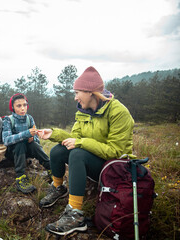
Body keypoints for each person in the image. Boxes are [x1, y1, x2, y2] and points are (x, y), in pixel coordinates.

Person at [38, 66, 135, 236]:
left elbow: (115, 151)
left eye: (77, 92)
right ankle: (58, 188)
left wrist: (81, 142)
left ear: (90, 92)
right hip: (96, 160)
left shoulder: (119, 112)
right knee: (58, 151)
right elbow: (74, 138)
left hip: (115, 168)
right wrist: (54, 134)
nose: (75, 97)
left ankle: (75, 215)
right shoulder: (84, 111)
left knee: (77, 153)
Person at [2, 93, 51, 194]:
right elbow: (6, 140)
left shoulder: (29, 118)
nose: (23, 108)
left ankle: (50, 168)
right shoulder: (8, 120)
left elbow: (37, 139)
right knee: (20, 143)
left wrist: (33, 139)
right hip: (13, 153)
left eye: (24, 105)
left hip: (27, 151)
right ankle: (20, 178)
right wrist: (25, 134)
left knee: (34, 144)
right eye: (19, 106)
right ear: (13, 107)